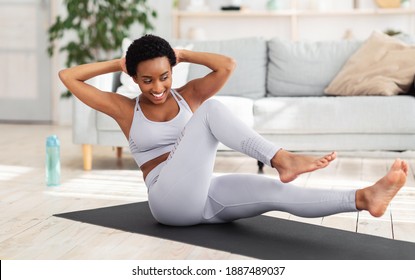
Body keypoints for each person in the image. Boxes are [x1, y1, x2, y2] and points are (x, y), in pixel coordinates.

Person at [59, 34, 408, 226]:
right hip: (167, 201)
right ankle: (281, 158)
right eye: (146, 79)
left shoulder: (187, 96)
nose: (156, 87)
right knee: (211, 111)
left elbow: (228, 65)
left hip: (202, 194)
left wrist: (182, 54)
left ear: (172, 72)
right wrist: (119, 63)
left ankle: (364, 199)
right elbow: (68, 77)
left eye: (164, 76)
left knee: (277, 193)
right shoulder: (125, 108)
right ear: (134, 78)